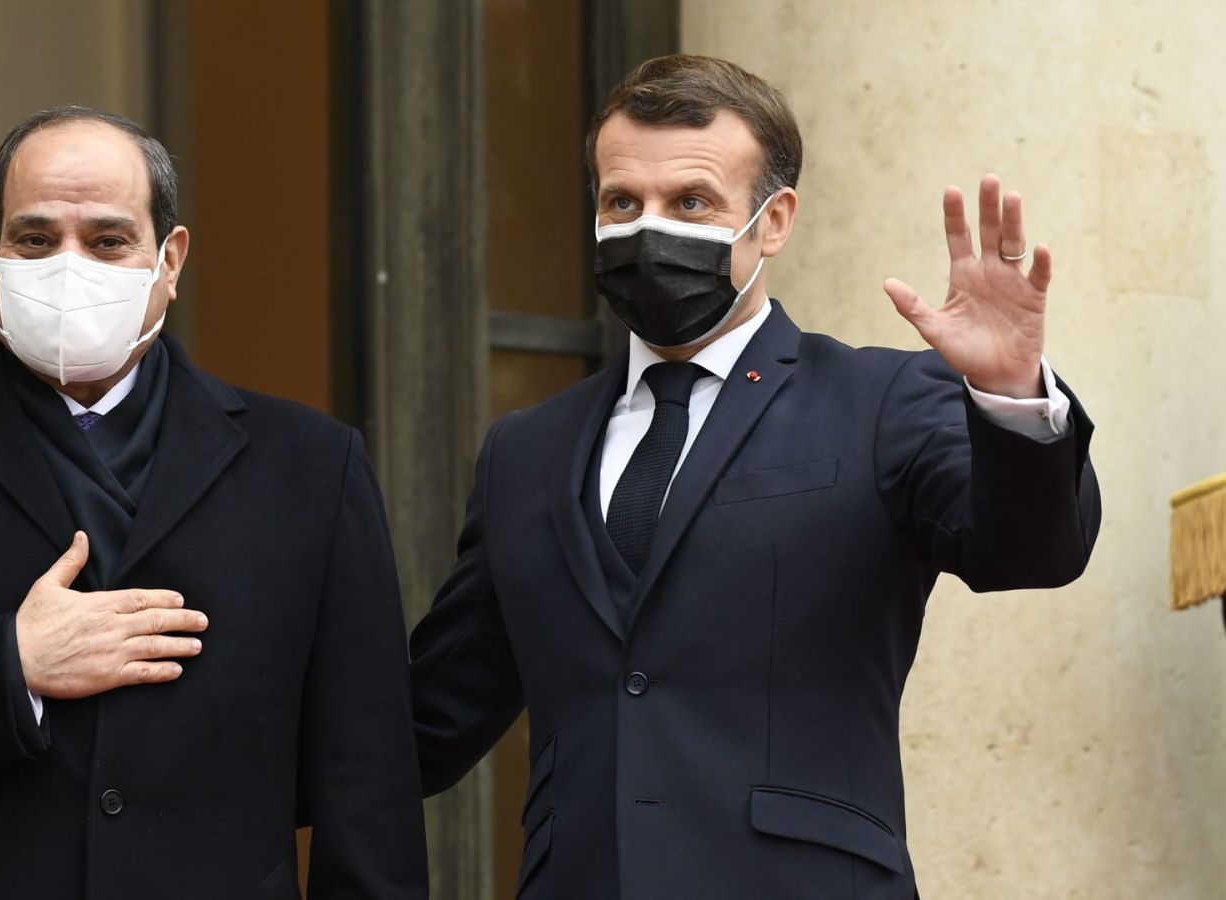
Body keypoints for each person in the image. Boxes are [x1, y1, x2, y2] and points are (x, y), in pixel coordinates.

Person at [410, 55, 1100, 899]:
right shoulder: (525, 451)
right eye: (622, 203)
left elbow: (1032, 553)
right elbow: (432, 720)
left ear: (774, 222)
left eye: (690, 203)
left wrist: (1009, 395)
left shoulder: (880, 401)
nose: (647, 229)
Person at [0, 106, 427, 899]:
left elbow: (369, 784)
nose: (69, 266)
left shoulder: (309, 467)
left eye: (107, 240)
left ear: (169, 260)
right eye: (34, 239)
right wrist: (9, 665)